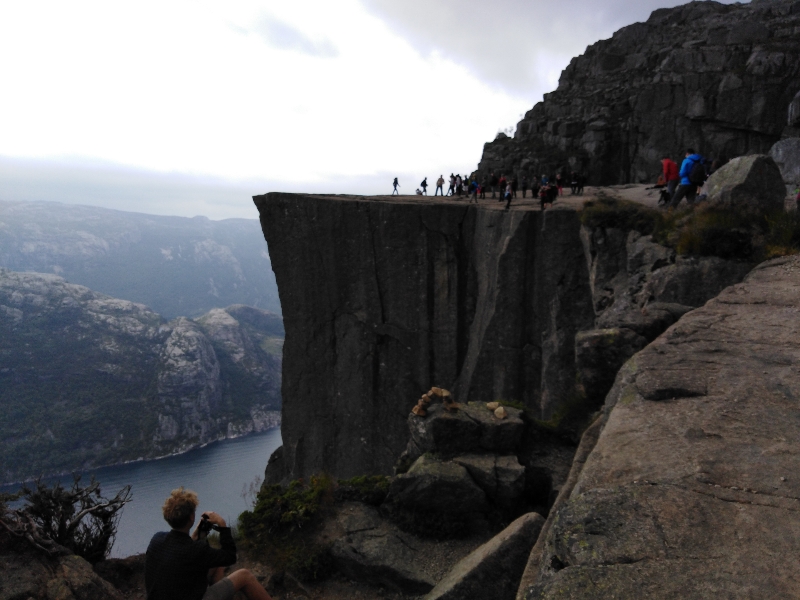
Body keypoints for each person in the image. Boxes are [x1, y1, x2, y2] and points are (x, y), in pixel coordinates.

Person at [146, 488, 271, 600]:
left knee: (216, 565)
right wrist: (222, 525)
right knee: (244, 576)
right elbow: (230, 556)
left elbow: (180, 552)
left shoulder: (156, 539)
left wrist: (195, 536)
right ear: (191, 517)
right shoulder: (197, 550)